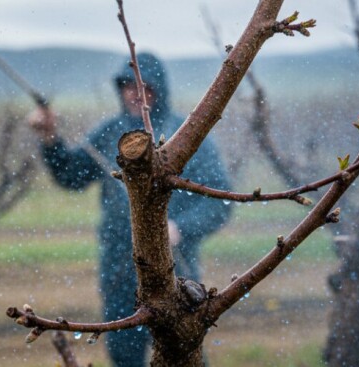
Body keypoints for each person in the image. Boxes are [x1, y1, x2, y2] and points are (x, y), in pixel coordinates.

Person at [28, 52, 232, 366]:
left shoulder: (187, 135)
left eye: (144, 86)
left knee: (183, 351)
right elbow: (71, 175)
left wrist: (181, 228)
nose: (135, 93)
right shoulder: (111, 133)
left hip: (176, 272)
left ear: (159, 90)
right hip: (119, 269)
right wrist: (50, 138)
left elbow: (220, 202)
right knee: (124, 354)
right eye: (127, 85)